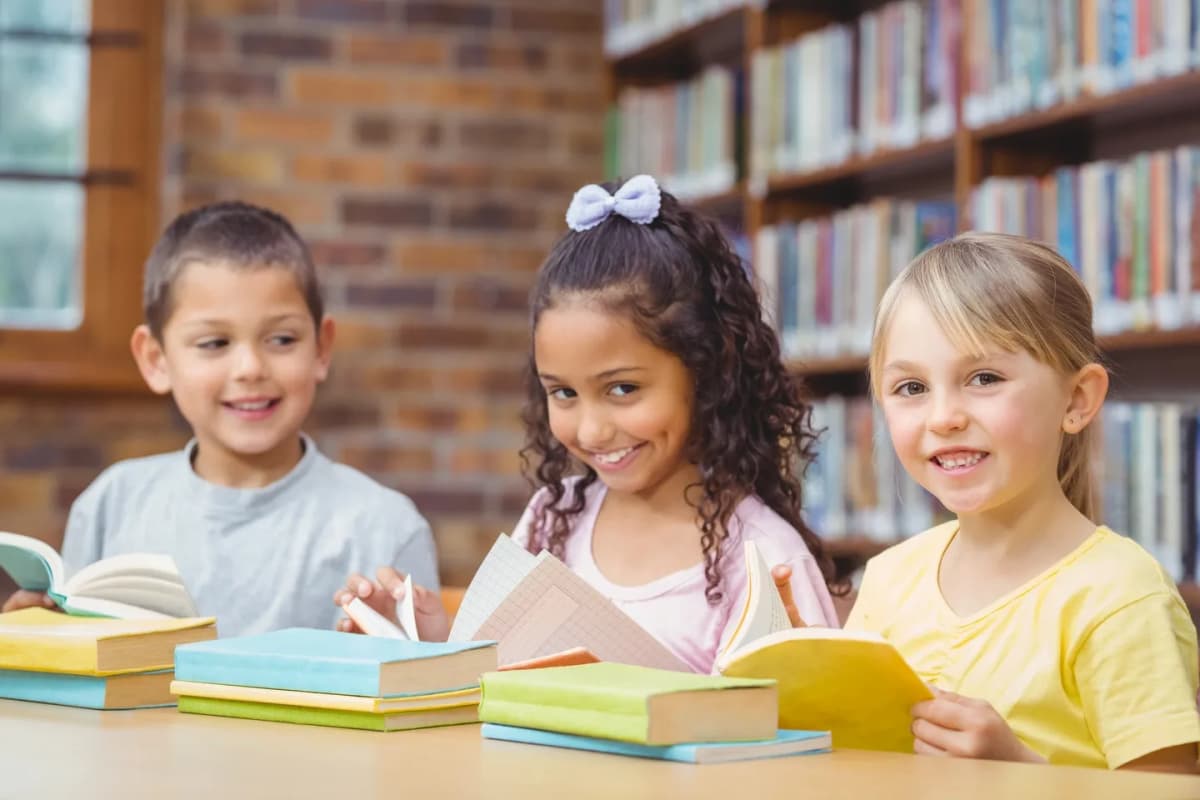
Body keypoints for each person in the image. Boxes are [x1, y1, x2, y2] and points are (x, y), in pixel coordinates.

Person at [335, 175, 838, 672]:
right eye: (564, 393)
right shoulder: (551, 519)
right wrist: (431, 642)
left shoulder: (764, 559)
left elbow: (805, 733)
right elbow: (499, 682)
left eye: (623, 389)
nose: (593, 430)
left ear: (707, 371)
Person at [847, 231, 1200, 772]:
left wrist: (1019, 770)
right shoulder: (888, 580)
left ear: (1078, 400)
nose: (943, 417)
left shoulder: (1120, 598)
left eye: (983, 378)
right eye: (911, 388)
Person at [2, 201, 439, 636]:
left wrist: (401, 655)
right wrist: (41, 639)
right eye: (214, 343)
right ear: (156, 360)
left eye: (282, 339)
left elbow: (429, 687)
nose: (250, 368)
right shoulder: (110, 506)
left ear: (321, 348)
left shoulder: (386, 526)